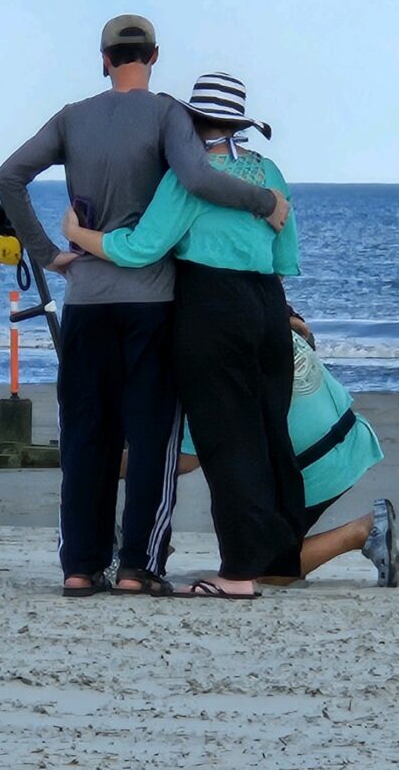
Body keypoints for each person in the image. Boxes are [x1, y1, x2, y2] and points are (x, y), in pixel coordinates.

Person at [0, 19, 288, 599]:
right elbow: (198, 176)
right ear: (154, 56)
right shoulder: (168, 115)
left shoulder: (71, 117)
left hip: (88, 301)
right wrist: (263, 201)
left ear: (103, 58)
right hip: (153, 302)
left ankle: (80, 567)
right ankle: (136, 567)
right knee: (152, 438)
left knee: (85, 435)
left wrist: (48, 252)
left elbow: (10, 177)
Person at [63, 72, 305, 599]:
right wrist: (282, 312)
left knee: (226, 438)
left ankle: (238, 575)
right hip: (266, 305)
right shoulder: (268, 172)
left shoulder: (190, 178)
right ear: (240, 123)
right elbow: (286, 257)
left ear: (190, 123)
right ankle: (273, 556)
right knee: (267, 433)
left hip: (211, 308)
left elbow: (140, 248)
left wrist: (78, 236)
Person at [176, 329, 399, 586]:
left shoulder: (205, 357)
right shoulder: (255, 308)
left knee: (260, 572)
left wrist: (121, 467)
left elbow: (186, 459)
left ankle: (362, 532)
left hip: (317, 465)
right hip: (349, 432)